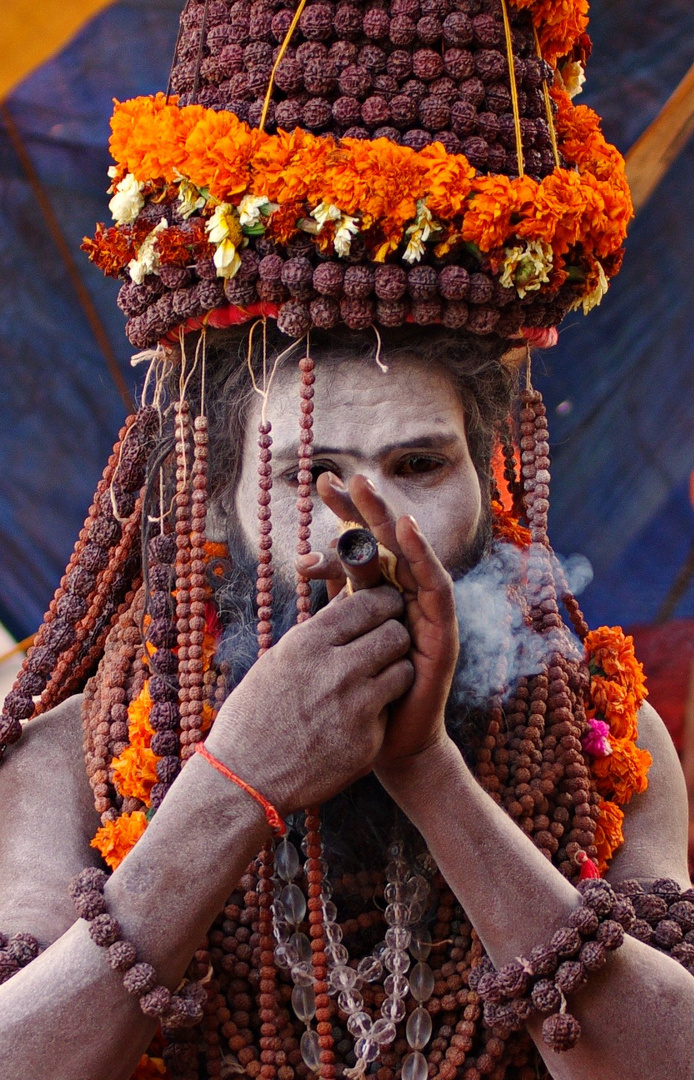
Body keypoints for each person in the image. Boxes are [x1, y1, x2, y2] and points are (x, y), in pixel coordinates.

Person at [0, 1, 692, 1078]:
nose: (358, 534)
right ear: (212, 491)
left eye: (418, 468)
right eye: (304, 476)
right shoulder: (66, 761)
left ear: (492, 477)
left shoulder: (608, 744)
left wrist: (430, 775)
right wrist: (232, 788)